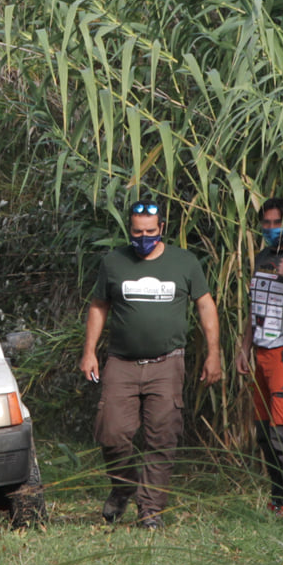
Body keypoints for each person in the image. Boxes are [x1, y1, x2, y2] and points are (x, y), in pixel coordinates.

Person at [78, 200, 223, 529]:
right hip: (120, 363)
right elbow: (98, 306)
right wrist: (89, 351)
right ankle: (123, 487)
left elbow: (205, 306)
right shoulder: (114, 262)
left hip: (167, 364)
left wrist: (214, 353)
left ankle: (150, 510)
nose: (142, 238)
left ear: (162, 229)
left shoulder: (184, 263)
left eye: (149, 232)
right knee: (111, 432)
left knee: (162, 438)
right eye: (136, 232)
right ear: (129, 229)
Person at [233, 194, 283, 518]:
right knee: (265, 430)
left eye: (276, 223)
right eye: (265, 223)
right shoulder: (263, 256)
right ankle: (278, 499)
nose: (269, 228)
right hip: (261, 353)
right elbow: (257, 307)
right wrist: (244, 346)